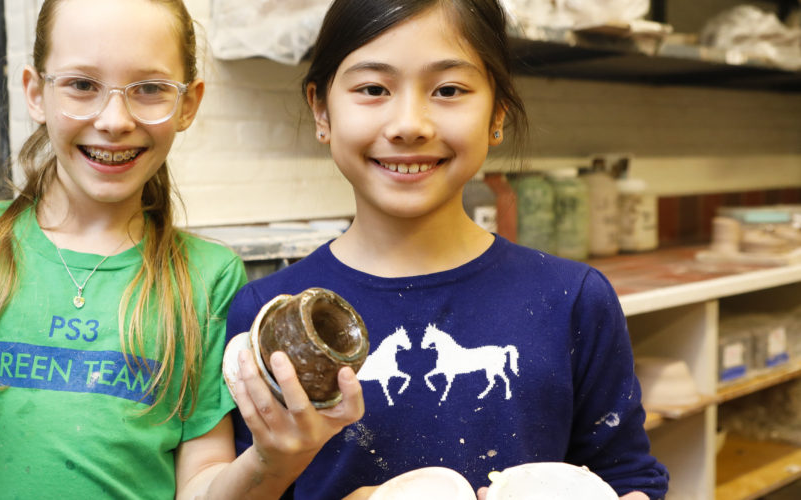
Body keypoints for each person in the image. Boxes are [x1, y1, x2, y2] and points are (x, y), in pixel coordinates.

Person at [0, 0, 364, 498]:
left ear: (188, 104)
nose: (115, 120)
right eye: (82, 85)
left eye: (150, 89)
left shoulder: (208, 276)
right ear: (35, 92)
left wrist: (275, 460)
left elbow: (201, 485)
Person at [225, 0, 670, 499]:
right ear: (321, 110)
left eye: (448, 90)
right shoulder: (268, 315)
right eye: (373, 89)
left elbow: (628, 479)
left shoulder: (574, 299)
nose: (409, 124)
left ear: (497, 112)